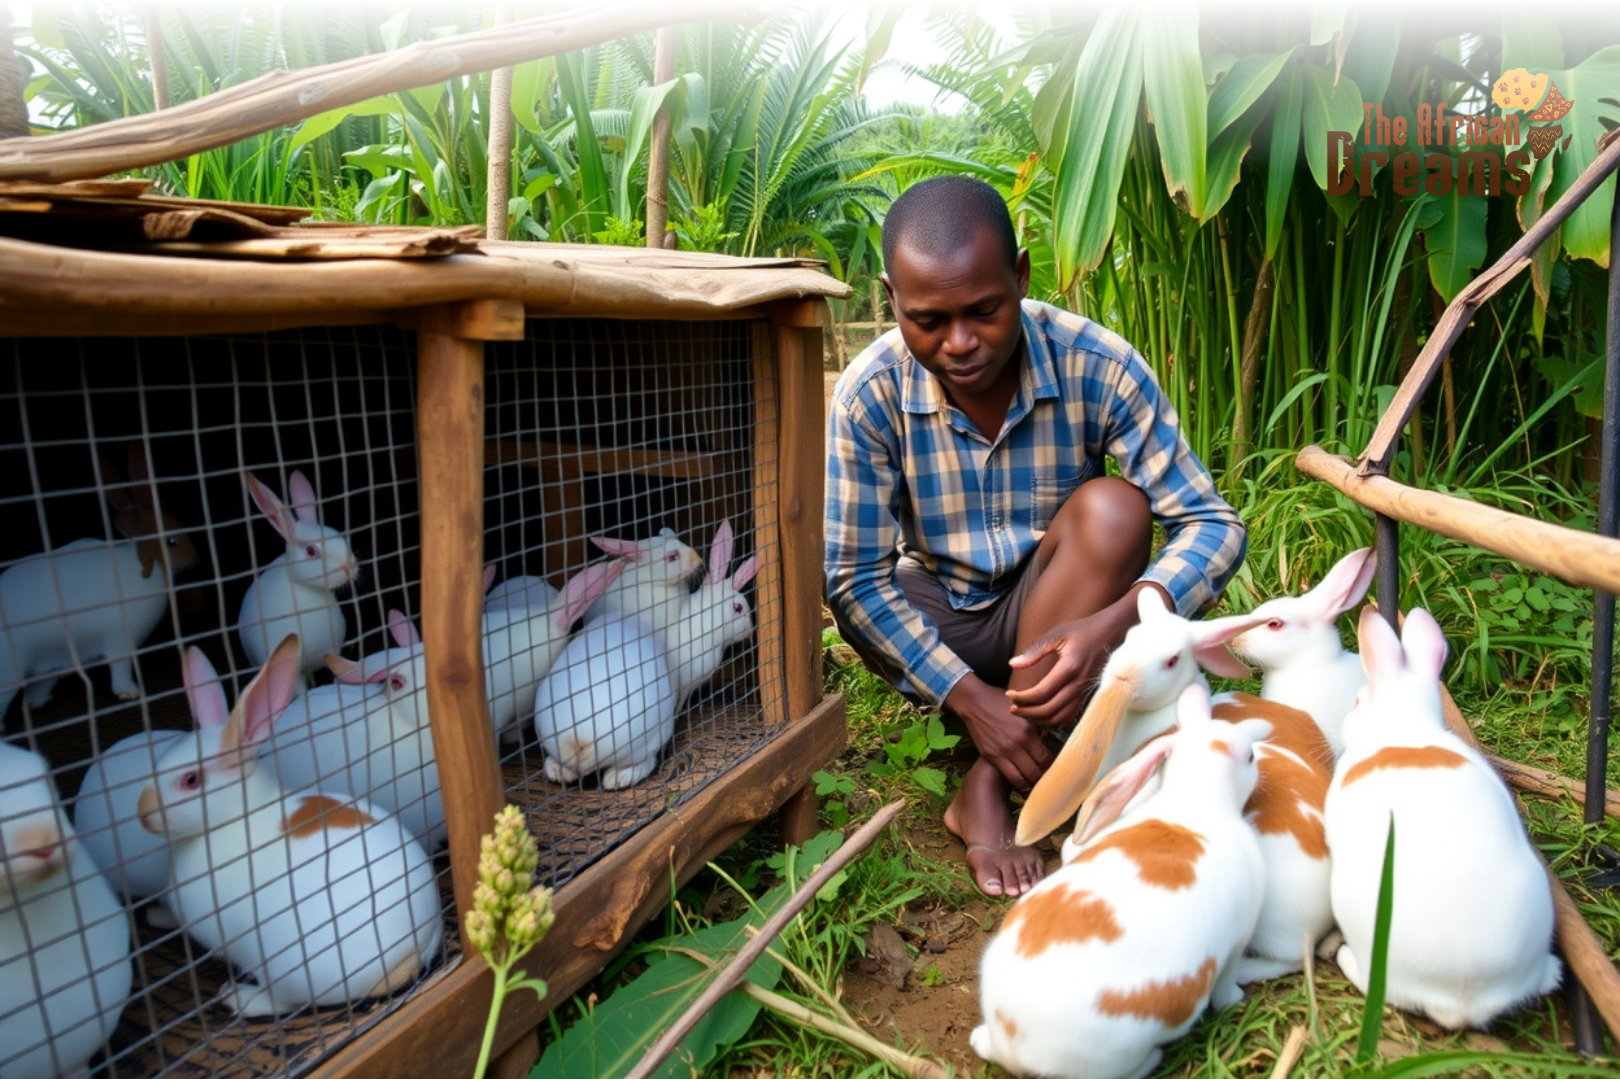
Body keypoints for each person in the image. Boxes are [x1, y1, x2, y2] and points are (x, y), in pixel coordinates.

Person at [824, 175, 1246, 897]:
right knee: (866, 582)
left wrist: (1113, 626)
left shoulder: (1097, 363)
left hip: (1059, 616)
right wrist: (967, 697)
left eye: (984, 311)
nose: (960, 343)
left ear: (1019, 276)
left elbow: (1211, 522)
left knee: (1115, 509)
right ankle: (1011, 734)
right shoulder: (871, 392)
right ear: (891, 298)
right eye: (929, 320)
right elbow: (853, 580)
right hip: (941, 618)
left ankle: (987, 784)